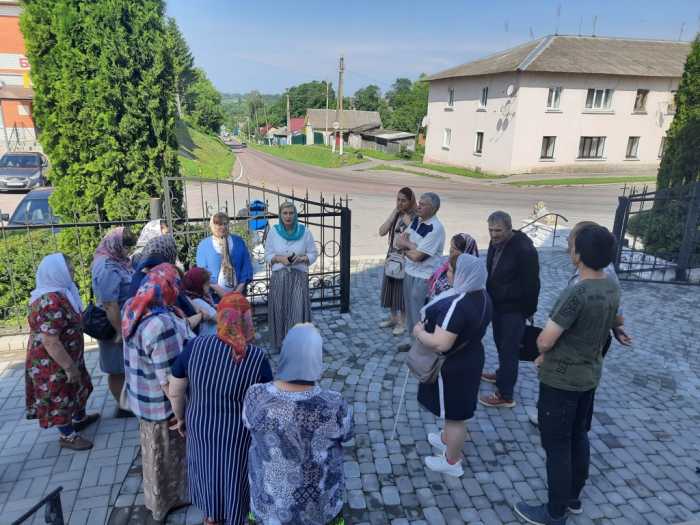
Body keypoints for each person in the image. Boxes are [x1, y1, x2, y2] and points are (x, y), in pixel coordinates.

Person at [514, 225, 621, 525]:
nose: (568, 249)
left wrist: (539, 350)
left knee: (557, 444)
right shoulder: (611, 285)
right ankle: (573, 497)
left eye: (572, 245)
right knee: (578, 435)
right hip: (589, 375)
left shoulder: (577, 292)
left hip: (561, 381)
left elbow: (546, 340)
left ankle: (555, 512)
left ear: (580, 254)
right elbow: (614, 319)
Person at [169, 292, 273, 525]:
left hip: (201, 427)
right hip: (237, 434)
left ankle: (211, 517)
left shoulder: (195, 346)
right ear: (246, 319)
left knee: (207, 469)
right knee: (233, 474)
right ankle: (236, 517)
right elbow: (266, 401)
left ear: (220, 316)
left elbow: (175, 389)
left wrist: (180, 417)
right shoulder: (256, 357)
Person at [243, 323, 353, 524]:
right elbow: (347, 434)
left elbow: (247, 424)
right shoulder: (334, 403)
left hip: (269, 507)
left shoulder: (255, 395)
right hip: (319, 508)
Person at [122, 263, 192, 522]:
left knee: (153, 455)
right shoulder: (160, 325)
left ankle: (156, 499)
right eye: (176, 285)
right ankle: (167, 502)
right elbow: (170, 379)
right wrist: (180, 414)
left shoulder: (134, 306)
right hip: (160, 405)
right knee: (167, 456)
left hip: (141, 398)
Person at [413, 254, 492, 477]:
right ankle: (447, 439)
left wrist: (419, 332)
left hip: (455, 366)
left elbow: (441, 343)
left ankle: (452, 461)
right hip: (471, 357)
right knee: (454, 410)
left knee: (456, 416)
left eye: (450, 271)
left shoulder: (458, 304)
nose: (446, 274)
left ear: (462, 274)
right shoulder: (483, 295)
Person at [26, 254, 99, 450]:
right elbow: (50, 341)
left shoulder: (63, 292)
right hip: (53, 362)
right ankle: (67, 436)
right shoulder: (49, 301)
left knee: (80, 385)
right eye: (69, 269)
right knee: (60, 395)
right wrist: (69, 367)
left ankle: (80, 418)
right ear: (55, 272)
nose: (72, 272)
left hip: (69, 356)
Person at [480, 211, 540, 408]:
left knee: (509, 350)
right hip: (498, 305)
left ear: (509, 228)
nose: (493, 234)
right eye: (490, 230)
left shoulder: (524, 250)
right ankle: (502, 375)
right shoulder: (495, 242)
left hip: (514, 309)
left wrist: (529, 310)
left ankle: (505, 395)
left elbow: (532, 284)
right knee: (500, 343)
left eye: (498, 231)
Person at [91, 226, 137, 414]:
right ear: (116, 244)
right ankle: (122, 406)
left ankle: (129, 402)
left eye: (129, 247)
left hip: (124, 321)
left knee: (124, 365)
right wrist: (120, 331)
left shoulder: (118, 260)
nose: (128, 251)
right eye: (125, 246)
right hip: (113, 325)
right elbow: (110, 303)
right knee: (116, 368)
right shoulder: (107, 266)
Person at [394, 192, 445, 352]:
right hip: (409, 272)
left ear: (433, 208)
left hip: (424, 277)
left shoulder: (435, 228)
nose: (418, 206)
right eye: (419, 203)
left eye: (423, 204)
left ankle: (421, 346)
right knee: (410, 310)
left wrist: (407, 246)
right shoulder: (417, 221)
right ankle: (412, 340)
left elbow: (418, 257)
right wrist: (412, 247)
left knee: (419, 313)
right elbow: (399, 241)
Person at [264, 202, 319, 349]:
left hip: (298, 277)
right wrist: (279, 259)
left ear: (295, 215)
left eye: (291, 213)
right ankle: (281, 342)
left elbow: (313, 254)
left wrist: (301, 259)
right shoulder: (274, 232)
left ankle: (298, 345)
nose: (288, 216)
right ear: (280, 215)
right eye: (285, 213)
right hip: (279, 278)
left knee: (297, 310)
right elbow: (267, 255)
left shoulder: (305, 232)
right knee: (280, 310)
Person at [128, 235, 203, 332]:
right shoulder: (164, 279)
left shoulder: (136, 277)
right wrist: (200, 315)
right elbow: (178, 324)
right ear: (169, 254)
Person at [378, 187, 417, 336]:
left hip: (405, 257)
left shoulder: (414, 217)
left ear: (410, 201)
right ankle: (393, 318)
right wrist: (393, 214)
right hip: (392, 255)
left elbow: (417, 239)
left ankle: (402, 323)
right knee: (390, 287)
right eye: (398, 200)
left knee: (401, 291)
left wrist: (409, 223)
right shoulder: (396, 214)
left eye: (404, 201)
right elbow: (382, 231)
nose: (400, 203)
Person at [196, 212, 253, 297]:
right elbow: (202, 271)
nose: (223, 227)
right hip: (214, 296)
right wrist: (223, 294)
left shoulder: (238, 241)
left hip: (238, 296)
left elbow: (246, 266)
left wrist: (238, 291)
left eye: (225, 223)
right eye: (219, 224)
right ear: (212, 226)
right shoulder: (204, 245)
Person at [427, 233, 479, 300]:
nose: (451, 250)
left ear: (466, 252)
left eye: (455, 248)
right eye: (451, 246)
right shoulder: (448, 264)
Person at [182, 267, 218, 337]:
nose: (209, 285)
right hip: (209, 337)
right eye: (207, 284)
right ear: (199, 285)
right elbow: (218, 318)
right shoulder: (197, 301)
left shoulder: (192, 297)